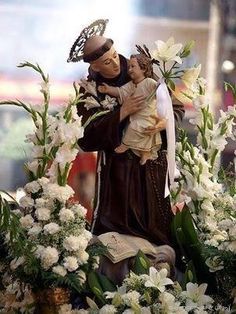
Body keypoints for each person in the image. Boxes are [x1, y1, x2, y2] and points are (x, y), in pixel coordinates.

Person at [68, 20, 185, 249]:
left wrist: (163, 123)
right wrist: (122, 112)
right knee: (117, 232)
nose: (113, 63)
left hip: (151, 160)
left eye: (113, 55)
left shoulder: (142, 68)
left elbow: (176, 108)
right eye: (105, 62)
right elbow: (86, 136)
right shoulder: (90, 89)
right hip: (117, 169)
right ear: (95, 67)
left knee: (156, 224)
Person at [98, 53, 164, 165]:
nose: (130, 70)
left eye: (133, 67)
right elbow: (120, 92)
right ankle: (145, 153)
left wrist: (161, 85)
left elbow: (160, 92)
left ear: (143, 69)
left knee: (134, 127)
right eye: (129, 67)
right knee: (134, 129)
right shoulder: (131, 85)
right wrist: (108, 90)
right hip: (137, 116)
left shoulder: (149, 82)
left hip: (149, 117)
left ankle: (125, 145)